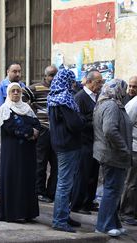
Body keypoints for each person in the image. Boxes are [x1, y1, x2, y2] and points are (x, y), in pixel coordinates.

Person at [0, 82, 40, 222]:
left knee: (26, 179)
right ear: (8, 94)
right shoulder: (5, 109)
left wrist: (32, 131)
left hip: (27, 151)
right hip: (12, 152)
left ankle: (27, 213)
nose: (16, 93)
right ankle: (13, 214)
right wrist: (29, 131)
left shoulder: (27, 108)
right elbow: (11, 127)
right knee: (14, 179)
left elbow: (36, 123)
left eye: (18, 91)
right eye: (13, 91)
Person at [93, 79, 132, 237]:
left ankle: (114, 223)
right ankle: (103, 226)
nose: (126, 91)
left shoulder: (107, 103)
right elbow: (109, 130)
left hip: (110, 153)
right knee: (111, 190)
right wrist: (123, 148)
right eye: (124, 88)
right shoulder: (111, 105)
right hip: (113, 154)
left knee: (115, 190)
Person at [48, 69, 84, 233]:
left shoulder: (54, 97)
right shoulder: (65, 99)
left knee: (65, 182)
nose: (74, 84)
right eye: (72, 81)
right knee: (64, 183)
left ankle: (63, 215)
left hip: (61, 144)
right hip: (68, 145)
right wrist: (82, 119)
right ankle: (60, 220)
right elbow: (75, 124)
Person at [70, 70, 104, 215]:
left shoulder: (98, 97)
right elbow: (78, 121)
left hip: (95, 142)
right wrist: (96, 123)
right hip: (84, 142)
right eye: (98, 82)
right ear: (89, 82)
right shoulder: (80, 98)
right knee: (83, 174)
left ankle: (89, 202)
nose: (100, 85)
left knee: (93, 174)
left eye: (101, 82)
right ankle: (79, 203)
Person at [30, 65, 58, 203]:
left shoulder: (60, 89)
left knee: (56, 163)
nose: (53, 78)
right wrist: (33, 119)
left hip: (57, 131)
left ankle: (52, 192)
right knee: (40, 162)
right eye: (51, 75)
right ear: (45, 76)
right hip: (43, 129)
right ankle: (39, 191)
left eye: (55, 75)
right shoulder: (35, 88)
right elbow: (22, 100)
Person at [120, 92, 137, 226]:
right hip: (135, 149)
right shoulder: (134, 104)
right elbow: (126, 124)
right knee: (131, 182)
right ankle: (126, 212)